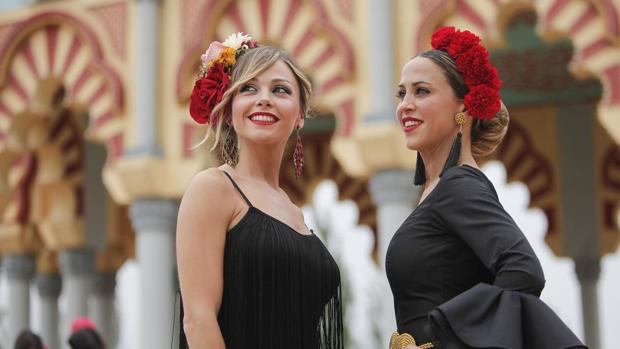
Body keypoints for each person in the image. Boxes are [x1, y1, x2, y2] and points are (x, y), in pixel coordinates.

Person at [385, 26, 586, 349]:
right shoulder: (440, 189)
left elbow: (523, 270)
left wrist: (443, 338)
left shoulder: (458, 185)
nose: (405, 104)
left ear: (463, 108)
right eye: (402, 93)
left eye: (421, 91)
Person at [176, 33, 343, 349]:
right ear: (229, 107)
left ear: (300, 115)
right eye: (248, 88)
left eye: (280, 89)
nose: (264, 98)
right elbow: (198, 321)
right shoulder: (214, 188)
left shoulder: (293, 210)